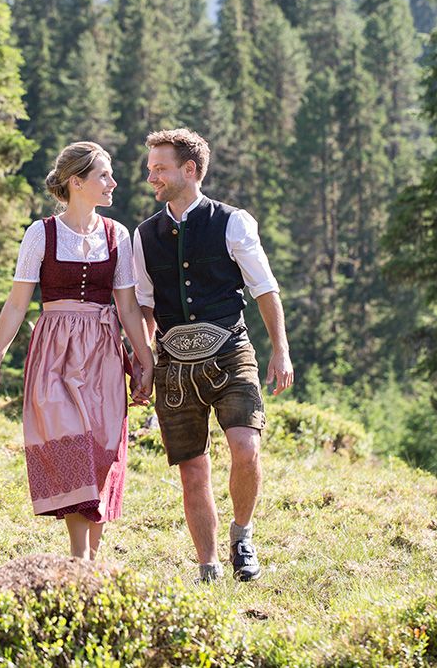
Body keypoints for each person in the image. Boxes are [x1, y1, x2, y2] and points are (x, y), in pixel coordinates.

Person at [132, 128, 294, 583]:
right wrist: (145, 362)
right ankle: (208, 565)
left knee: (246, 447)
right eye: (150, 170)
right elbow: (144, 305)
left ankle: (242, 534)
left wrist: (279, 349)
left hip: (230, 350)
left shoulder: (233, 221)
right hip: (173, 366)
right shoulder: (144, 235)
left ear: (190, 170)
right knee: (192, 469)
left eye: (159, 169)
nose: (151, 178)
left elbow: (265, 288)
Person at [0, 141, 154, 560]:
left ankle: (92, 560)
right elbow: (17, 302)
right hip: (55, 351)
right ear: (77, 182)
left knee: (102, 448)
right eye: (103, 176)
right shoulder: (42, 233)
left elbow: (127, 305)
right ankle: (80, 560)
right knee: (70, 442)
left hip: (104, 352)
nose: (113, 182)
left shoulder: (118, 235)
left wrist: (145, 360)